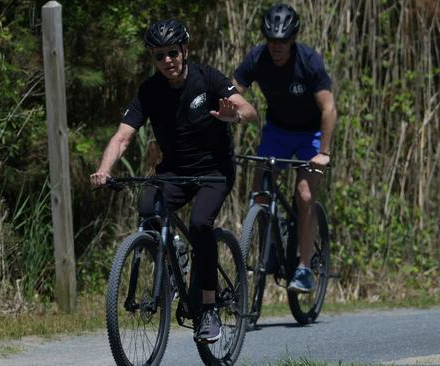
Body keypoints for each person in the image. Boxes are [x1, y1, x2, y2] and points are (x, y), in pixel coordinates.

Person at [90, 19, 257, 344]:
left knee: (199, 224)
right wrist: (104, 169)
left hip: (214, 171)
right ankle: (171, 253)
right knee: (147, 206)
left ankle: (208, 310)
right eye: (158, 56)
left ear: (185, 50)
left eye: (172, 53)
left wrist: (233, 116)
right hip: (173, 172)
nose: (167, 61)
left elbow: (250, 110)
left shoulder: (207, 78)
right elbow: (122, 137)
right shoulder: (149, 91)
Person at [232, 4, 337, 293]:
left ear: (293, 39)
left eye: (283, 41)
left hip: (310, 135)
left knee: (304, 194)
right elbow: (232, 93)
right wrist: (227, 113)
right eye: (271, 40)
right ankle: (269, 243)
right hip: (277, 131)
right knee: (260, 192)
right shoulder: (257, 58)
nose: (276, 47)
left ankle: (304, 268)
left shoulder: (309, 61)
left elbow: (328, 108)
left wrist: (324, 152)